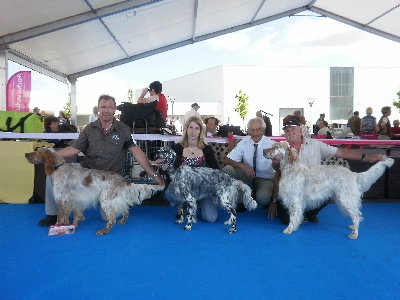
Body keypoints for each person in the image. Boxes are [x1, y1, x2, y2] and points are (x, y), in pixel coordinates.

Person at [38, 94, 165, 226]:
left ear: (115, 109)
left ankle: (122, 198)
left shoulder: (123, 130)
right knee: (53, 175)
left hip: (110, 176)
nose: (106, 110)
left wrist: (154, 174)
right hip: (87, 172)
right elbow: (74, 149)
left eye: (110, 107)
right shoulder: (89, 128)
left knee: (107, 217)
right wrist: (50, 154)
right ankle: (52, 214)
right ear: (98, 109)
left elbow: (137, 152)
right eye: (103, 107)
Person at [269, 118, 386, 225]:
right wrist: (276, 162)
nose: (290, 133)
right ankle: (300, 213)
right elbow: (276, 172)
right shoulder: (283, 149)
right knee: (285, 220)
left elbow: (340, 152)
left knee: (327, 188)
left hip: (312, 188)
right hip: (292, 191)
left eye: (293, 129)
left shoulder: (316, 145)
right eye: (287, 131)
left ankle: (309, 212)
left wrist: (365, 157)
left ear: (301, 130)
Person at [164, 116, 220, 222]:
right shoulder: (177, 148)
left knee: (211, 218)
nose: (193, 131)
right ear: (186, 129)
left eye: (196, 128)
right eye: (190, 127)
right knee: (169, 192)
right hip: (183, 187)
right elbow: (170, 171)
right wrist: (165, 169)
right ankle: (181, 207)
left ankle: (196, 204)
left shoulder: (207, 149)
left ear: (200, 131)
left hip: (202, 188)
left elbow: (216, 170)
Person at [222, 117, 275, 213]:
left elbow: (279, 170)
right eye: (252, 130)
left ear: (263, 130)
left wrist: (274, 201)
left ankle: (258, 197)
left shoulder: (271, 144)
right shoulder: (244, 142)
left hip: (265, 178)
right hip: (248, 176)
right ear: (248, 131)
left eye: (258, 130)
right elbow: (227, 160)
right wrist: (243, 166)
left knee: (263, 199)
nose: (255, 133)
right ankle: (242, 198)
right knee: (227, 169)